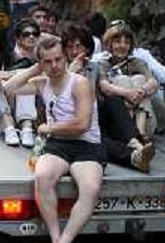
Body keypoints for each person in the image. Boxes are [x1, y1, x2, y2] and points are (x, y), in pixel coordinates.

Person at [3, 35, 104, 243]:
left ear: (65, 57)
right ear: (41, 63)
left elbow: (82, 124)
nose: (55, 65)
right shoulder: (42, 81)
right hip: (58, 145)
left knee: (90, 187)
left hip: (86, 145)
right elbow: (9, 88)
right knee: (43, 176)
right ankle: (56, 242)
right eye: (48, 61)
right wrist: (35, 68)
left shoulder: (79, 83)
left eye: (59, 59)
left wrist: (49, 128)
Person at [63, 25, 154, 172]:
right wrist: (71, 73)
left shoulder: (93, 67)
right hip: (72, 122)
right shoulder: (59, 68)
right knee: (97, 139)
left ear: (86, 49)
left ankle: (136, 144)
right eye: (69, 47)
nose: (74, 51)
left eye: (78, 47)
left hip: (94, 116)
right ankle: (135, 157)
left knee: (113, 100)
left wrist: (130, 93)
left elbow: (103, 87)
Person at [10, 19, 42, 148]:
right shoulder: (10, 56)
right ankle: (26, 126)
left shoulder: (43, 57)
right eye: (26, 34)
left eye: (35, 34)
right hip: (11, 101)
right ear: (18, 38)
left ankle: (29, 126)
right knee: (25, 79)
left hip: (40, 102)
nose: (31, 37)